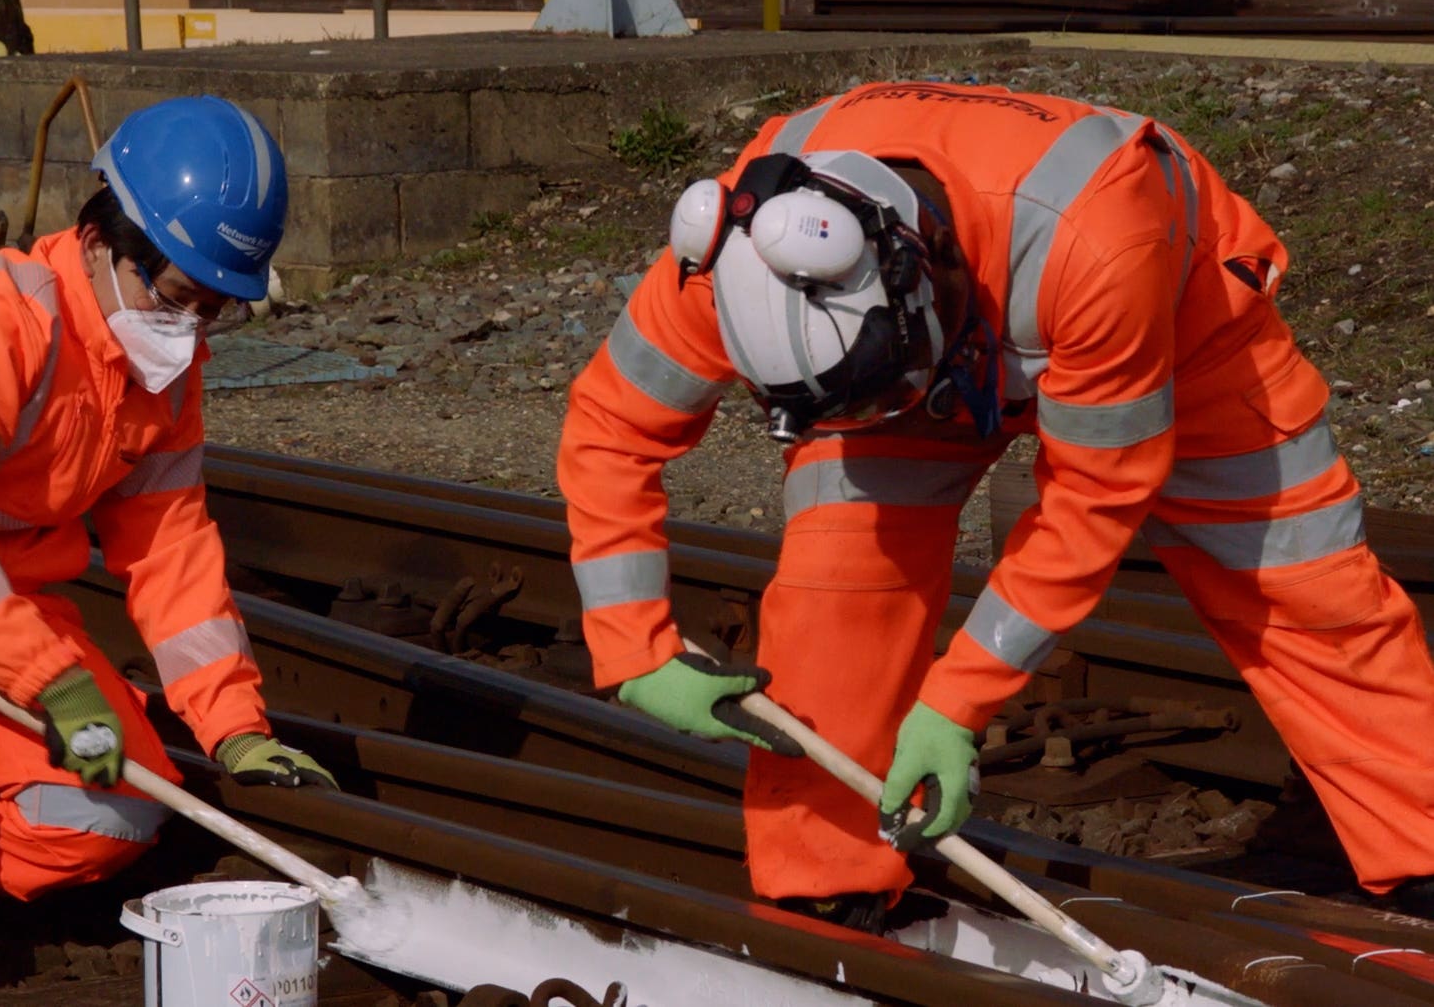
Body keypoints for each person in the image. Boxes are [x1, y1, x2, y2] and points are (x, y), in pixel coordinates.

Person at [557, 79, 1434, 931]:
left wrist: (957, 703)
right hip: (908, 365)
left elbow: (1092, 499)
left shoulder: (1096, 237)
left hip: (1172, 327)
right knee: (837, 598)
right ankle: (822, 889)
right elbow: (608, 427)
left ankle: (1424, 851)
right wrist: (631, 647)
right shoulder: (720, 262)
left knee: (1308, 590)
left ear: (919, 267)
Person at [0, 95, 337, 998]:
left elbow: (171, 548)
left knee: (113, 815)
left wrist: (234, 724)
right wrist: (49, 683)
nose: (192, 327)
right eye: (181, 297)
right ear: (108, 240)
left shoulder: (163, 372)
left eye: (216, 309)